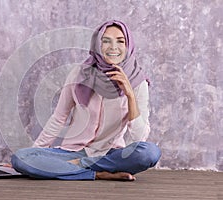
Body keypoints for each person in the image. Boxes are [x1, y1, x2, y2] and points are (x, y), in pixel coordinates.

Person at [11, 20, 161, 181]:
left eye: (120, 41)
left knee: (149, 152)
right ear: (97, 45)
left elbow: (139, 137)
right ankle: (95, 173)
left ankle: (78, 166)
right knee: (20, 158)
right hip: (72, 152)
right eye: (106, 41)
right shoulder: (79, 74)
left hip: (110, 154)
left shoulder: (138, 82)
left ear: (128, 46)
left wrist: (130, 94)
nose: (113, 47)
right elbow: (59, 117)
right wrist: (36, 152)